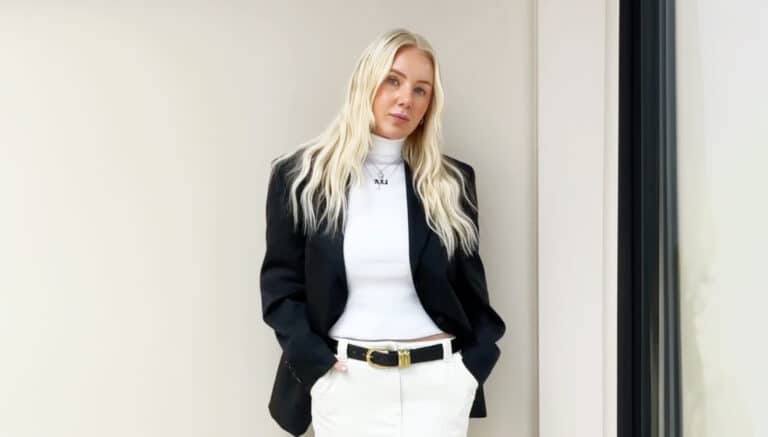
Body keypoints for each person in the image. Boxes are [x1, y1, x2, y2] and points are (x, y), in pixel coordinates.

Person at [260, 28, 506, 437]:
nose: (406, 98)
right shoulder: (301, 178)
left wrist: (468, 372)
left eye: (421, 90)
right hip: (346, 385)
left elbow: (473, 292)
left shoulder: (451, 183)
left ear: (429, 106)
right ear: (365, 83)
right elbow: (280, 289)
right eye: (393, 80)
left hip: (439, 386)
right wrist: (318, 371)